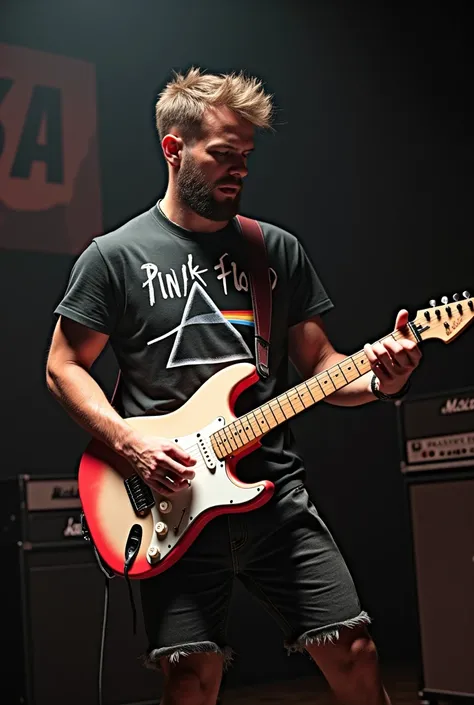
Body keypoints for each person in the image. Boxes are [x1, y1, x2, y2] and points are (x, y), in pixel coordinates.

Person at [46, 67, 421, 705]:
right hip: (169, 503)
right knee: (192, 680)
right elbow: (62, 367)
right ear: (173, 149)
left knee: (356, 653)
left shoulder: (276, 252)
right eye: (223, 154)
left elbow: (324, 370)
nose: (239, 170)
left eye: (246, 156)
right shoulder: (113, 257)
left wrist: (383, 380)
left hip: (274, 495)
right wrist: (130, 444)